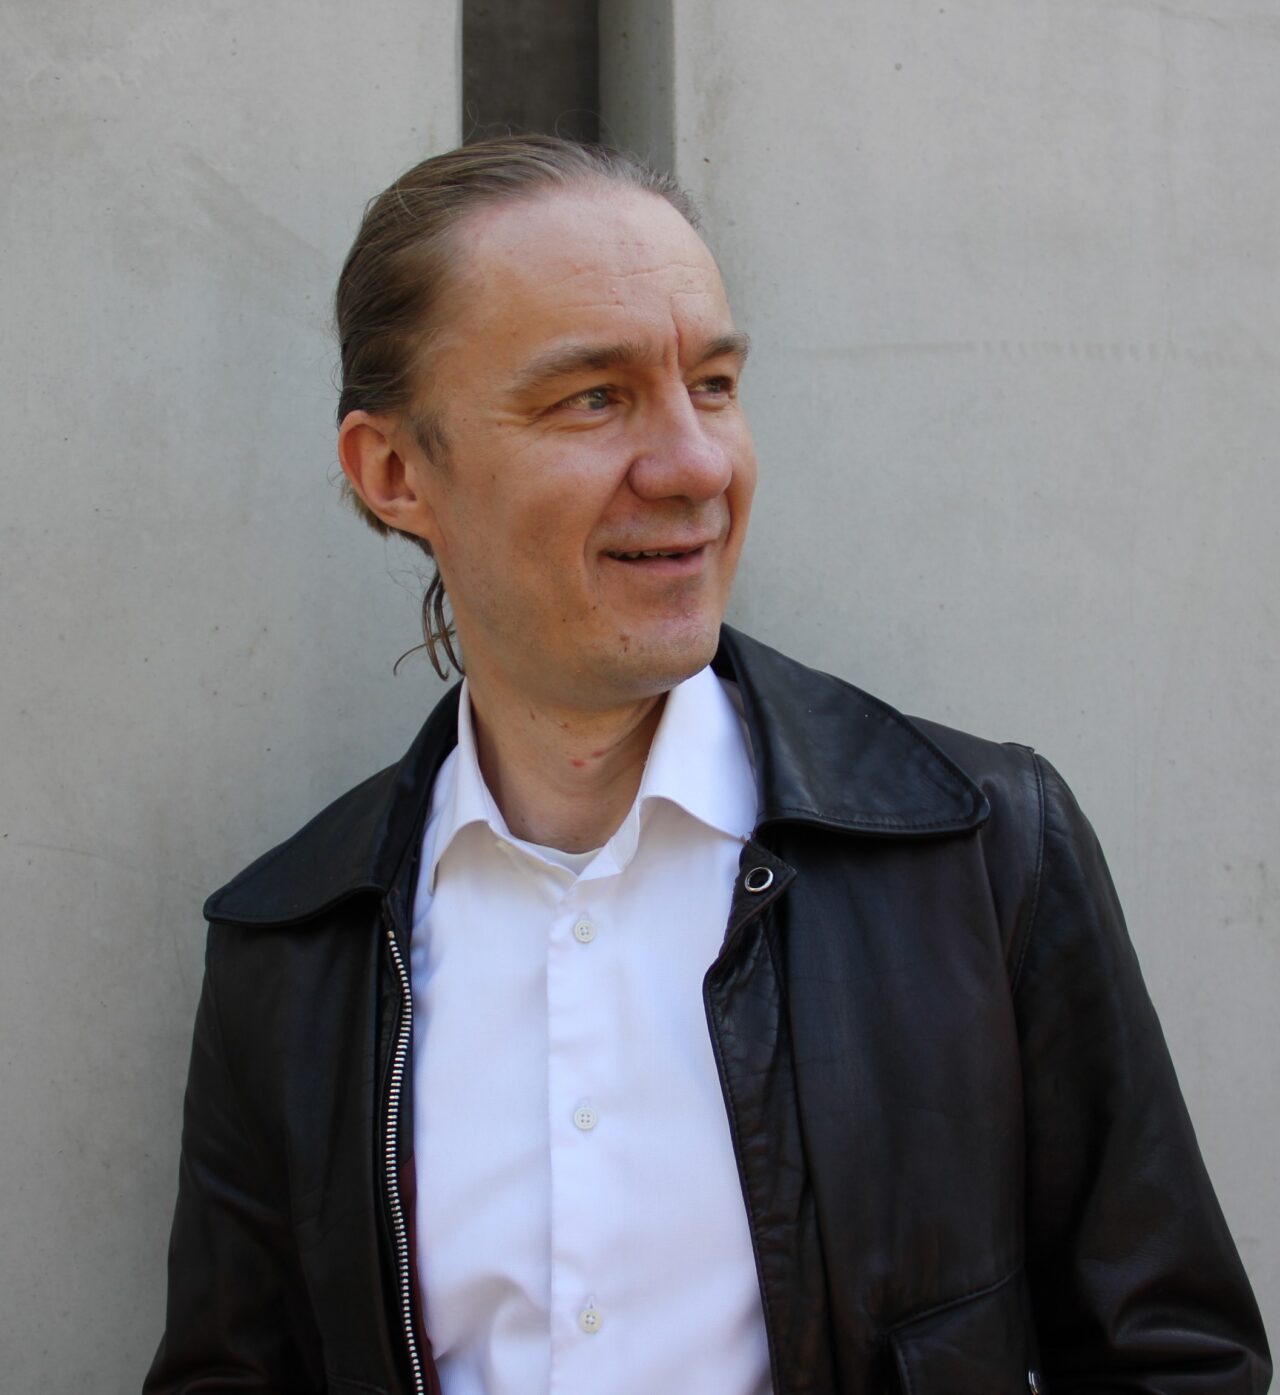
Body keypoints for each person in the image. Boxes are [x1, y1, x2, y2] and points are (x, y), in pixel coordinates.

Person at [144, 136, 1270, 1395]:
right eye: (593, 397)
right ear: (397, 473)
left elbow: (1172, 1363)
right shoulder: (291, 947)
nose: (695, 465)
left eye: (714, 385)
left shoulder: (980, 853)